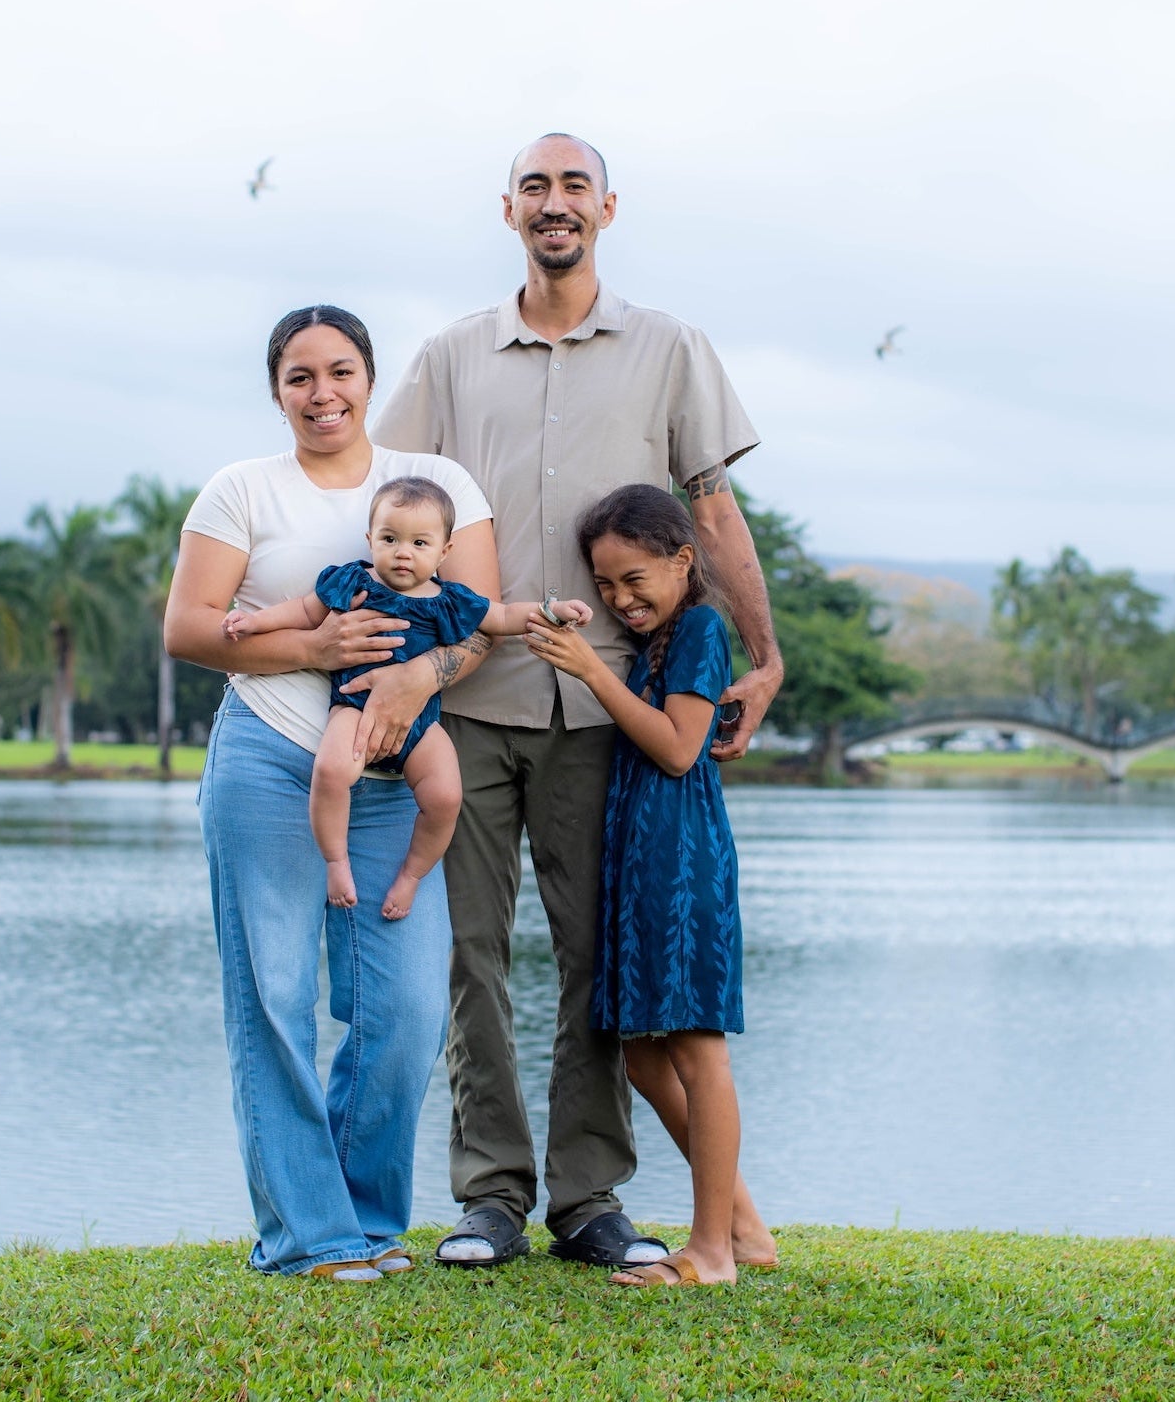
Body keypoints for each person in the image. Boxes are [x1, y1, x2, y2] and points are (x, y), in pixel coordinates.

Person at [372, 133, 784, 1271]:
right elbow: (389, 502)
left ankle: (589, 1198)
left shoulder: (668, 349)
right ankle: (490, 1197)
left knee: (598, 966)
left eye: (573, 188)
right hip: (471, 698)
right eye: (535, 188)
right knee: (472, 955)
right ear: (508, 208)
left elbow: (711, 509)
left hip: (608, 714)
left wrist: (764, 652)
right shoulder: (451, 355)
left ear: (606, 206)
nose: (555, 205)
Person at [163, 305, 502, 1282]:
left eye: (341, 371)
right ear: (277, 390)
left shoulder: (437, 487)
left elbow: (476, 624)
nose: (323, 393)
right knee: (272, 995)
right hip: (270, 760)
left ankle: (366, 1221)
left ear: (368, 376)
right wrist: (313, 647)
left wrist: (414, 680)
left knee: (400, 1010)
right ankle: (305, 1236)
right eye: (300, 376)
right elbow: (189, 628)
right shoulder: (241, 490)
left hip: (396, 773)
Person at [526, 484, 772, 1287]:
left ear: (683, 560)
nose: (620, 598)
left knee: (698, 1051)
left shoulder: (699, 628)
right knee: (638, 1054)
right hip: (639, 862)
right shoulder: (660, 641)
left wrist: (593, 671)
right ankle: (744, 1228)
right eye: (605, 585)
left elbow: (677, 749)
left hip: (682, 864)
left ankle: (710, 1253)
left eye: (635, 579)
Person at [221, 475, 590, 919]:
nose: (403, 552)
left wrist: (553, 611)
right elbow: (302, 611)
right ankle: (336, 862)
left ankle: (412, 875)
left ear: (444, 552)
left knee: (447, 796)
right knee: (332, 770)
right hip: (354, 709)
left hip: (420, 725)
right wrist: (254, 623)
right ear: (369, 539)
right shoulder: (354, 583)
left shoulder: (450, 601)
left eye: (419, 543)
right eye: (390, 538)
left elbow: (505, 615)